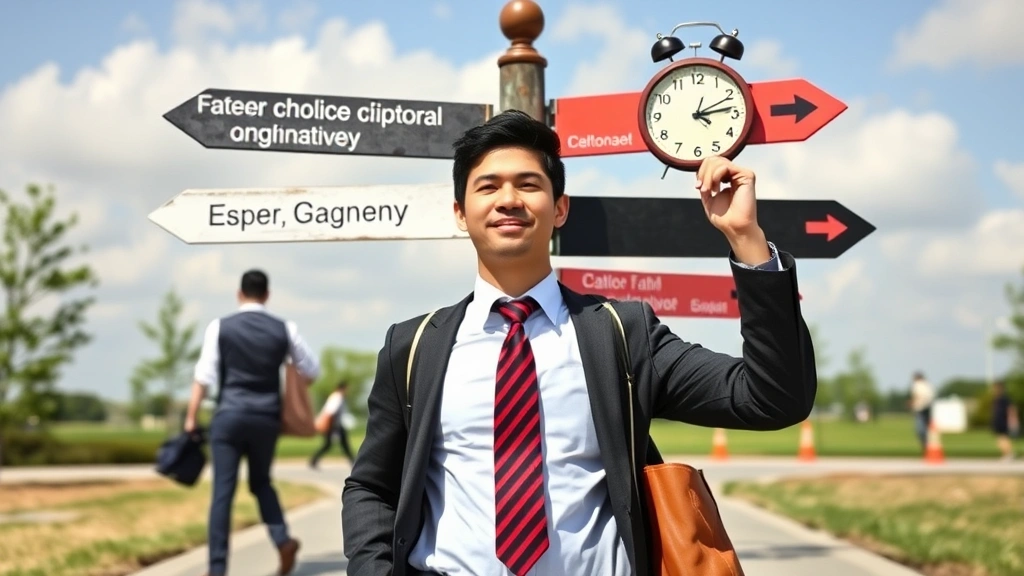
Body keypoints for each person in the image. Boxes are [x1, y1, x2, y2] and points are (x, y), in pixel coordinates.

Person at [341, 110, 816, 576]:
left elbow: (772, 399)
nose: (509, 199)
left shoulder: (621, 334)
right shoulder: (413, 347)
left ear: (560, 208)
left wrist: (745, 238)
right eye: (488, 186)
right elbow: (371, 487)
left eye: (529, 184)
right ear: (461, 214)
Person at [184, 269, 321, 576]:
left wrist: (191, 416)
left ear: (239, 294)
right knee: (261, 483)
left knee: (223, 492)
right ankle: (282, 538)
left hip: (229, 417)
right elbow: (311, 369)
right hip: (266, 419)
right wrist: (294, 388)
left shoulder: (220, 327)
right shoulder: (285, 328)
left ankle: (217, 569)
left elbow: (204, 376)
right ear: (267, 295)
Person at [310, 380, 356, 468]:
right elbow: (331, 412)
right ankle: (353, 462)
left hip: (334, 425)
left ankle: (314, 460)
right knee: (342, 445)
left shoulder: (336, 397)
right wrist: (333, 427)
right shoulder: (337, 397)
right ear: (343, 388)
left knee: (333, 445)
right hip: (333, 425)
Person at [991, 380, 1018, 461]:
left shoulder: (1005, 398)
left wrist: (1013, 420)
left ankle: (1009, 453)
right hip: (998, 421)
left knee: (1004, 437)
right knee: (1000, 439)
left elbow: (1011, 409)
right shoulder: (996, 398)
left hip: (1004, 421)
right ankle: (1006, 453)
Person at [908, 371, 935, 450]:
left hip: (920, 409)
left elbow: (916, 396)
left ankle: (925, 445)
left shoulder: (917, 385)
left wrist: (911, 403)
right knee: (926, 429)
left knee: (920, 429)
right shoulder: (928, 385)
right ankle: (927, 444)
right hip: (928, 409)